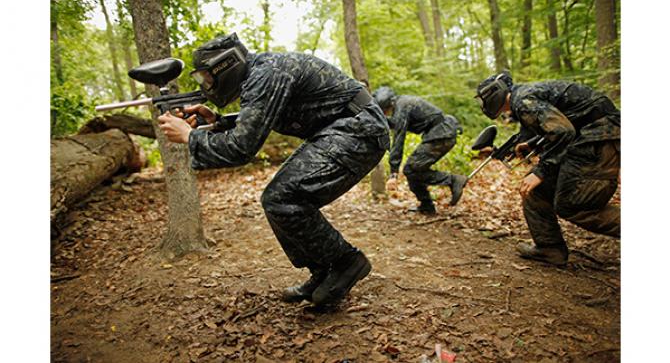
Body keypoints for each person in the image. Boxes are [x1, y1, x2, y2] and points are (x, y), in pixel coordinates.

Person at [157, 33, 390, 307]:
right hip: (342, 129)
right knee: (275, 199)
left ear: (225, 65)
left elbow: (241, 148)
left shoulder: (266, 75)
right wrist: (217, 123)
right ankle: (323, 270)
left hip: (360, 129)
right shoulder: (260, 74)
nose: (208, 85)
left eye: (208, 77)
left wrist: (189, 136)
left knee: (284, 198)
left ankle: (347, 261)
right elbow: (259, 117)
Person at [475, 71, 620, 266]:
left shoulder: (523, 100)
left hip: (598, 140)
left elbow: (563, 131)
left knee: (574, 204)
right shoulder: (524, 98)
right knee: (535, 191)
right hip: (590, 140)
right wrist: (533, 144)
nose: (484, 105)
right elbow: (560, 124)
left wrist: (541, 171)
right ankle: (549, 248)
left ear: (495, 93)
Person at [372, 86, 468, 215]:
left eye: (385, 110)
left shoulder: (402, 107)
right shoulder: (401, 103)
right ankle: (426, 206)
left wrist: (394, 172)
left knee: (410, 169)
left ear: (390, 104)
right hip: (441, 133)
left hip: (441, 134)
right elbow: (396, 123)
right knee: (413, 170)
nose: (385, 113)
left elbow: (398, 139)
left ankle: (452, 180)